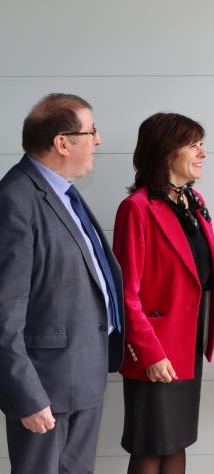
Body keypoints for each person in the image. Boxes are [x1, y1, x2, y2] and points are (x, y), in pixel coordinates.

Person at [113, 112, 214, 474]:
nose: (202, 153)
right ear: (167, 151)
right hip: (155, 351)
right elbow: (126, 293)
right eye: (194, 145)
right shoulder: (136, 209)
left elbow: (209, 275)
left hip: (188, 345)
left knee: (177, 442)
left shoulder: (193, 201)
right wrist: (150, 353)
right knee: (150, 447)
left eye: (202, 145)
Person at [0, 93, 124, 474]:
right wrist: (27, 396)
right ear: (62, 142)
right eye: (92, 131)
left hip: (83, 374)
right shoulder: (16, 200)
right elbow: (4, 314)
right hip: (46, 388)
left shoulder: (64, 193)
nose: (98, 140)